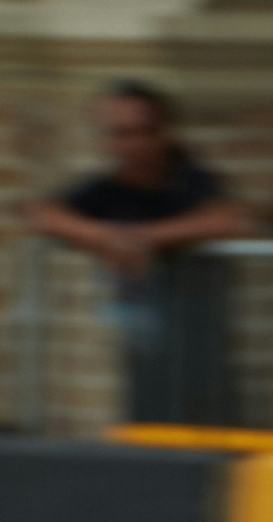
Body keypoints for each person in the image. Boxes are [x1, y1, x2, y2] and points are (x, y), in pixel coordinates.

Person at [24, 81, 257, 426]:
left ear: (164, 132)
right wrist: (106, 238)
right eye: (117, 134)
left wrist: (144, 239)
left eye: (139, 133)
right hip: (143, 345)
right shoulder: (108, 187)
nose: (129, 145)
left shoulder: (188, 179)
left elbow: (232, 220)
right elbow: (41, 214)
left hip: (198, 347)